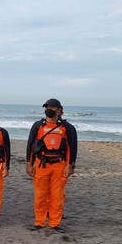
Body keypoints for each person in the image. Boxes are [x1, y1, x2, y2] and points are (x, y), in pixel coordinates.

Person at [26, 98, 77, 233]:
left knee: (57, 196)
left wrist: (70, 165)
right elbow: (31, 145)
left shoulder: (67, 127)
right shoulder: (38, 126)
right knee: (40, 195)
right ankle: (40, 222)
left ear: (59, 110)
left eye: (52, 107)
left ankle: (55, 223)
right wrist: (29, 164)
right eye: (47, 107)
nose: (49, 109)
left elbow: (72, 147)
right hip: (41, 164)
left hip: (59, 165)